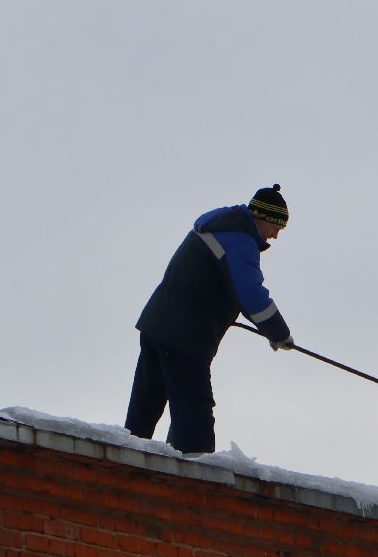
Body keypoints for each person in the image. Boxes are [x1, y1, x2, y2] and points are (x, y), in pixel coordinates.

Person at [125, 185, 295, 454]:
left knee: (146, 404)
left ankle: (126, 458)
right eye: (276, 227)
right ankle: (197, 477)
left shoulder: (220, 226)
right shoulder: (239, 240)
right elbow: (251, 297)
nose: (275, 236)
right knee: (194, 407)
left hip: (158, 325)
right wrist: (279, 333)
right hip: (185, 336)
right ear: (262, 218)